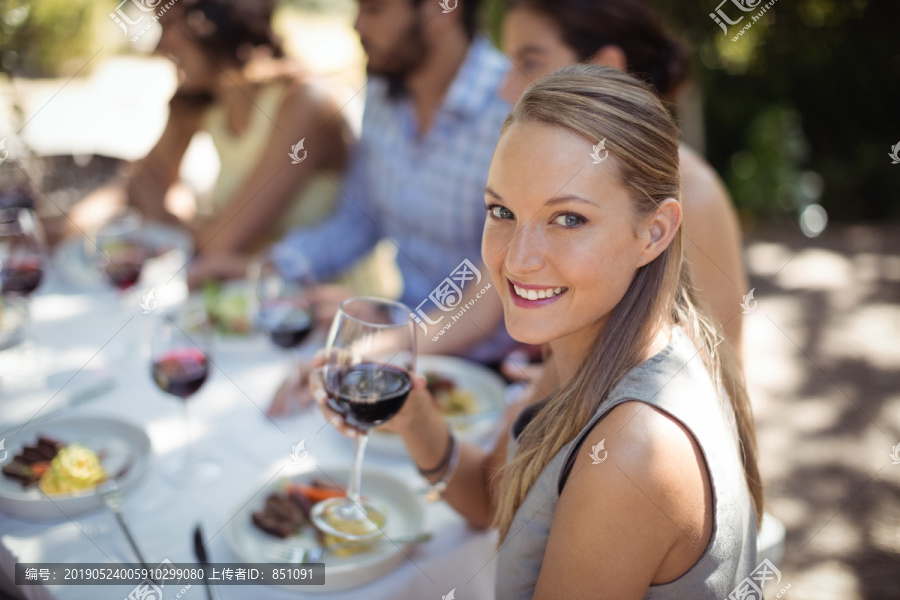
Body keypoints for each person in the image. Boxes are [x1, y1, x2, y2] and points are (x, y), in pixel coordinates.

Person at [316, 65, 762, 598]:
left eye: (568, 219)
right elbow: (491, 500)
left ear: (655, 232)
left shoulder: (634, 453)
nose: (519, 260)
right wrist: (414, 418)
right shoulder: (594, 346)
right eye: (501, 211)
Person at [266, 0, 517, 414]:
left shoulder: (513, 105)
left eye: (376, 9)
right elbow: (359, 221)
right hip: (404, 339)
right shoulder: (383, 93)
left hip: (488, 376)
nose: (358, 25)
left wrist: (382, 340)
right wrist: (276, 268)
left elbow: (496, 289)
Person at [499, 0, 749, 359]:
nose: (506, 90)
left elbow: (723, 367)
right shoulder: (550, 173)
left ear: (604, 68)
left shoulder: (694, 193)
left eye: (530, 63)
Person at [73, 0, 354, 280]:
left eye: (169, 25)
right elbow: (136, 186)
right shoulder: (202, 102)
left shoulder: (304, 102)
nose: (160, 46)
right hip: (234, 295)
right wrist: (65, 227)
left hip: (319, 305)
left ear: (214, 20)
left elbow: (219, 246)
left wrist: (167, 217)